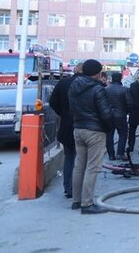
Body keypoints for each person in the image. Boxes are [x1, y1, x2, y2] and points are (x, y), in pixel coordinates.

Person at [68, 59, 114, 214]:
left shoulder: (74, 86)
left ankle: (76, 201)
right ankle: (87, 204)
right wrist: (108, 128)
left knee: (79, 165)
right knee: (93, 167)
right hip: (94, 131)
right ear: (97, 73)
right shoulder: (98, 89)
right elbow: (106, 114)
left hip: (78, 129)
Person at [49, 61, 83, 199]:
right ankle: (80, 189)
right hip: (85, 126)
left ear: (75, 70)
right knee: (83, 159)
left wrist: (64, 114)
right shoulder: (89, 84)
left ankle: (68, 188)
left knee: (69, 158)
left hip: (67, 125)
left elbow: (53, 102)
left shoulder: (63, 83)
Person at [105, 72, 129, 160]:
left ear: (111, 78)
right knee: (123, 134)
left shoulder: (106, 89)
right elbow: (129, 103)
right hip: (121, 115)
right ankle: (120, 153)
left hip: (108, 115)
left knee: (109, 135)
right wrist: (127, 111)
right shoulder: (124, 89)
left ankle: (111, 155)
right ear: (121, 78)